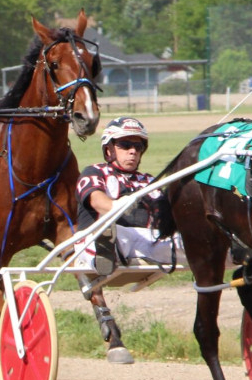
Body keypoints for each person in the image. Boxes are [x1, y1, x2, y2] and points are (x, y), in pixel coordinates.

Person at [75, 117, 184, 275]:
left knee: (185, 241)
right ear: (108, 149)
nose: (132, 151)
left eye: (138, 146)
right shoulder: (94, 172)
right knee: (114, 233)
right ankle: (104, 251)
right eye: (125, 145)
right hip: (97, 236)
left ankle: (231, 252)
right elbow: (96, 200)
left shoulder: (148, 181)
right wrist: (118, 206)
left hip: (146, 240)